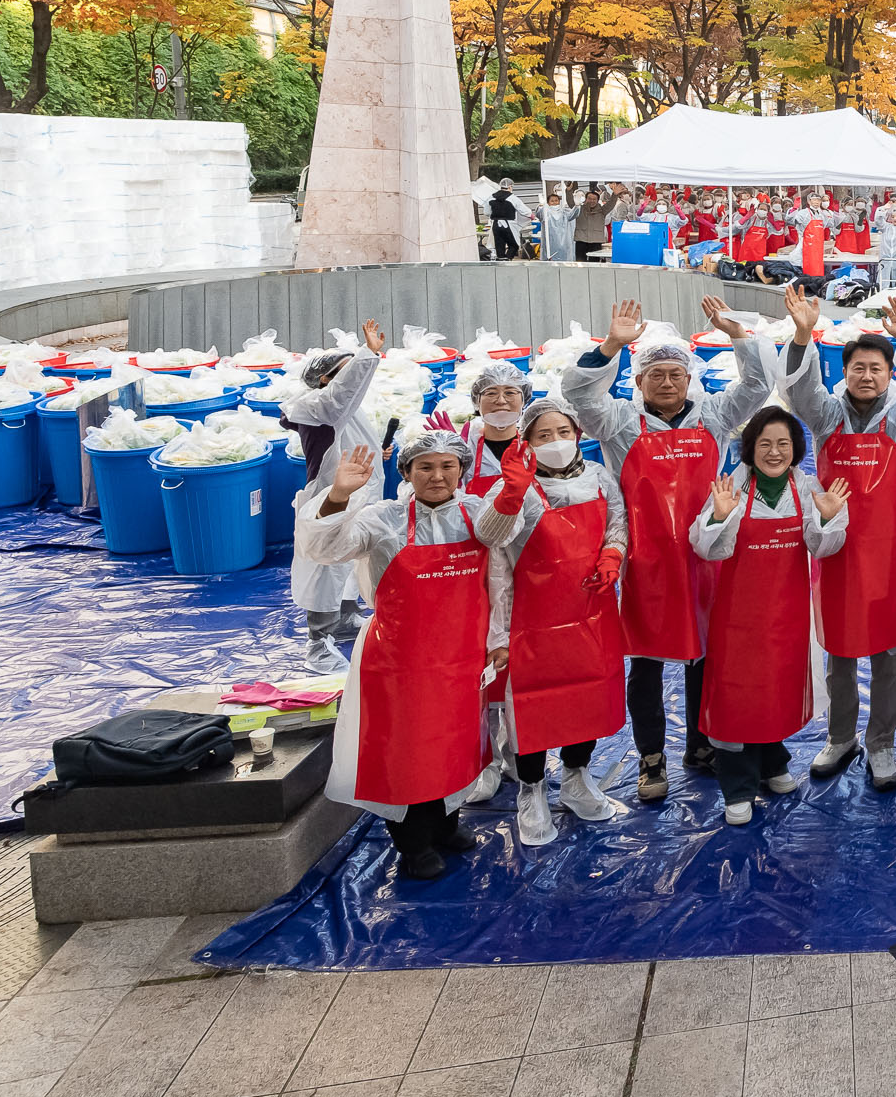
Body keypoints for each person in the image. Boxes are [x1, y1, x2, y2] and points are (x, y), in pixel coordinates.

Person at [560, 296, 775, 803]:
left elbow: (759, 386)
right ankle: (650, 760)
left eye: (675, 373)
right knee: (648, 662)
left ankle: (700, 746)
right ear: (637, 381)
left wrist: (737, 334)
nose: (666, 382)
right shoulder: (618, 422)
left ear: (689, 379)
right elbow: (576, 392)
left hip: (707, 555)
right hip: (646, 564)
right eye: (654, 374)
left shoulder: (714, 415)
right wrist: (612, 343)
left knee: (706, 655)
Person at [297, 434, 509, 879]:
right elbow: (323, 548)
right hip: (398, 660)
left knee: (453, 742)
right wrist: (338, 495)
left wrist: (497, 637)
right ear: (407, 473)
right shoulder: (383, 519)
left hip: (460, 657)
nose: (438, 476)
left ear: (461, 470)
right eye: (425, 467)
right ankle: (413, 843)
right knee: (406, 750)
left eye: (448, 466)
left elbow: (499, 581)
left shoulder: (475, 514)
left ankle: (447, 824)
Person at [780, 286, 896, 791]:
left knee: (888, 651)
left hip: (892, 551)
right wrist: (804, 335)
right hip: (840, 550)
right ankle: (841, 735)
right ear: (843, 372)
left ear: (890, 373)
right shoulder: (828, 418)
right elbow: (800, 393)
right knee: (841, 650)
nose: (866, 376)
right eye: (857, 368)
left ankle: (882, 743)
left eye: (876, 368)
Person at [471, 399, 628, 843]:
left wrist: (613, 553)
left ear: (578, 435)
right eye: (543, 435)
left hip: (591, 614)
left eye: (563, 432)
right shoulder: (514, 487)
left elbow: (618, 521)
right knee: (533, 711)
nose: (555, 442)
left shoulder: (598, 477)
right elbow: (493, 549)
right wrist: (511, 493)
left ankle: (577, 780)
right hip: (532, 621)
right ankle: (532, 790)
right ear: (526, 442)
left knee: (588, 700)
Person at [689, 408, 852, 822]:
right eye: (765, 444)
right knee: (736, 696)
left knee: (777, 689)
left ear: (796, 449)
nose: (774, 452)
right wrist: (719, 515)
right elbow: (707, 549)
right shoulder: (733, 487)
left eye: (783, 444)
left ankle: (773, 763)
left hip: (787, 614)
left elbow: (822, 547)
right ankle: (738, 787)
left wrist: (830, 516)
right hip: (736, 617)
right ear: (750, 449)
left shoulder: (807, 486)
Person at [282, 320, 389, 669]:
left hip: (360, 496)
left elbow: (347, 430)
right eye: (344, 372)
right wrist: (368, 353)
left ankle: (344, 618)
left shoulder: (345, 408)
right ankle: (318, 641)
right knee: (324, 567)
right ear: (326, 379)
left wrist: (377, 451)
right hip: (331, 497)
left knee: (351, 561)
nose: (354, 381)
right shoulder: (318, 404)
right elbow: (342, 394)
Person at [455, 360, 532, 497]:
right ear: (477, 401)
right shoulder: (467, 447)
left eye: (510, 393)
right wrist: (449, 458)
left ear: (524, 400)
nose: (501, 401)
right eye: (491, 393)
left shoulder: (534, 443)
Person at [574, 185, 612, 262]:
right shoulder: (579, 209)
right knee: (580, 262)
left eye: (594, 199)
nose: (592, 201)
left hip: (596, 241)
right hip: (581, 240)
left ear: (598, 200)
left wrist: (615, 194)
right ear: (586, 199)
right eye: (589, 199)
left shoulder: (602, 210)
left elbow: (611, 203)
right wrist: (568, 190)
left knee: (594, 263)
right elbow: (570, 203)